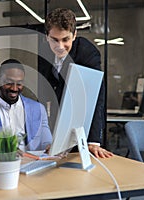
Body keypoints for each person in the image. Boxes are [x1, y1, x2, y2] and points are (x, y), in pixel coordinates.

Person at [40, 8, 113, 158]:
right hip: (58, 126)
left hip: (83, 127)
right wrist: (49, 137)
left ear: (74, 35)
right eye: (54, 39)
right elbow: (45, 94)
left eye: (65, 39)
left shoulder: (87, 53)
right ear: (47, 36)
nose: (60, 46)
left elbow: (96, 95)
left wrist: (93, 141)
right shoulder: (43, 54)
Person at [0, 59, 52, 151]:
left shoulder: (38, 109)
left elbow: (46, 142)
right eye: (9, 83)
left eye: (19, 83)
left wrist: (49, 147)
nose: (14, 88)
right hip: (0, 164)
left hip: (33, 162)